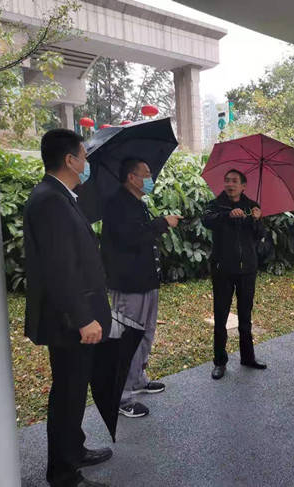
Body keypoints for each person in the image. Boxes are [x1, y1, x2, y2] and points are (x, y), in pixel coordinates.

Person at [23, 129, 113, 487]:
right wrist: (83, 318)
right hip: (70, 321)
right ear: (69, 160)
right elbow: (59, 268)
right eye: (84, 157)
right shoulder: (50, 200)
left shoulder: (60, 195)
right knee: (68, 394)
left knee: (73, 390)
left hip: (73, 317)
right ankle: (63, 474)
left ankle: (74, 449)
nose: (86, 163)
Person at [101, 158, 183, 418]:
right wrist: (163, 223)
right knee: (127, 338)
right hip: (128, 284)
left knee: (145, 333)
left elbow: (141, 232)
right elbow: (131, 237)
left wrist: (159, 223)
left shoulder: (137, 203)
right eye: (146, 174)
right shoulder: (117, 204)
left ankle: (137, 379)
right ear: (132, 177)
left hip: (145, 280)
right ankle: (121, 397)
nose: (151, 178)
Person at [202, 169, 267, 380]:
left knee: (245, 316)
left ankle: (248, 357)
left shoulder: (251, 206)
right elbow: (207, 221)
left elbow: (259, 235)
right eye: (227, 180)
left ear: (243, 186)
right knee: (220, 317)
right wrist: (227, 215)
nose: (230, 184)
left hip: (247, 269)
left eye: (234, 181)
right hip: (223, 270)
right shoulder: (216, 205)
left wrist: (257, 219)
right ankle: (220, 361)